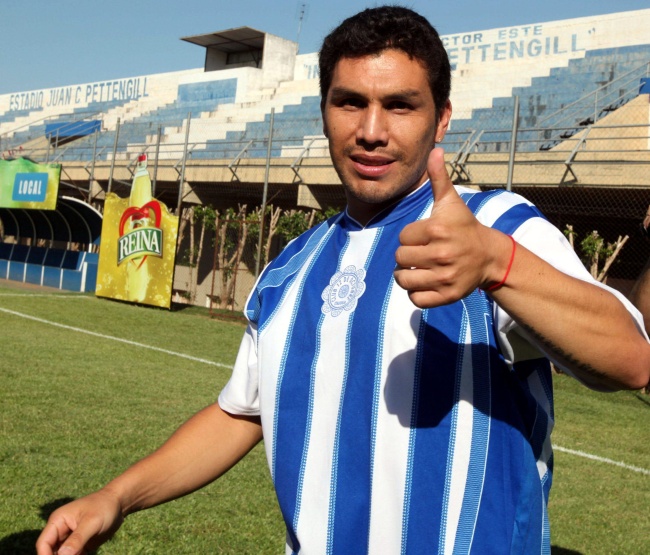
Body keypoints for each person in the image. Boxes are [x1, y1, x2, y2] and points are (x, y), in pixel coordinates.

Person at [37, 6, 650, 555]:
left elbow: (629, 359)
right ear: (325, 112)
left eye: (401, 105)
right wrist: (117, 496)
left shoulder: (496, 226)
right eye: (350, 102)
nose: (371, 130)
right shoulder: (291, 267)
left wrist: (498, 264)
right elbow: (241, 413)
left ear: (441, 120)